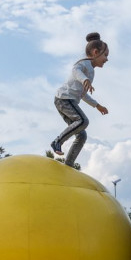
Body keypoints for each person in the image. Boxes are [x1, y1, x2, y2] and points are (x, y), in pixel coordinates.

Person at [51, 32, 109, 168]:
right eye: (105, 55)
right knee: (82, 121)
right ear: (95, 52)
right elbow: (75, 70)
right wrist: (85, 79)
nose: (106, 59)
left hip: (67, 100)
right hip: (64, 99)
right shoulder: (83, 63)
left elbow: (83, 94)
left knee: (81, 135)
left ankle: (68, 165)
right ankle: (57, 142)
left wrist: (97, 105)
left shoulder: (91, 71)